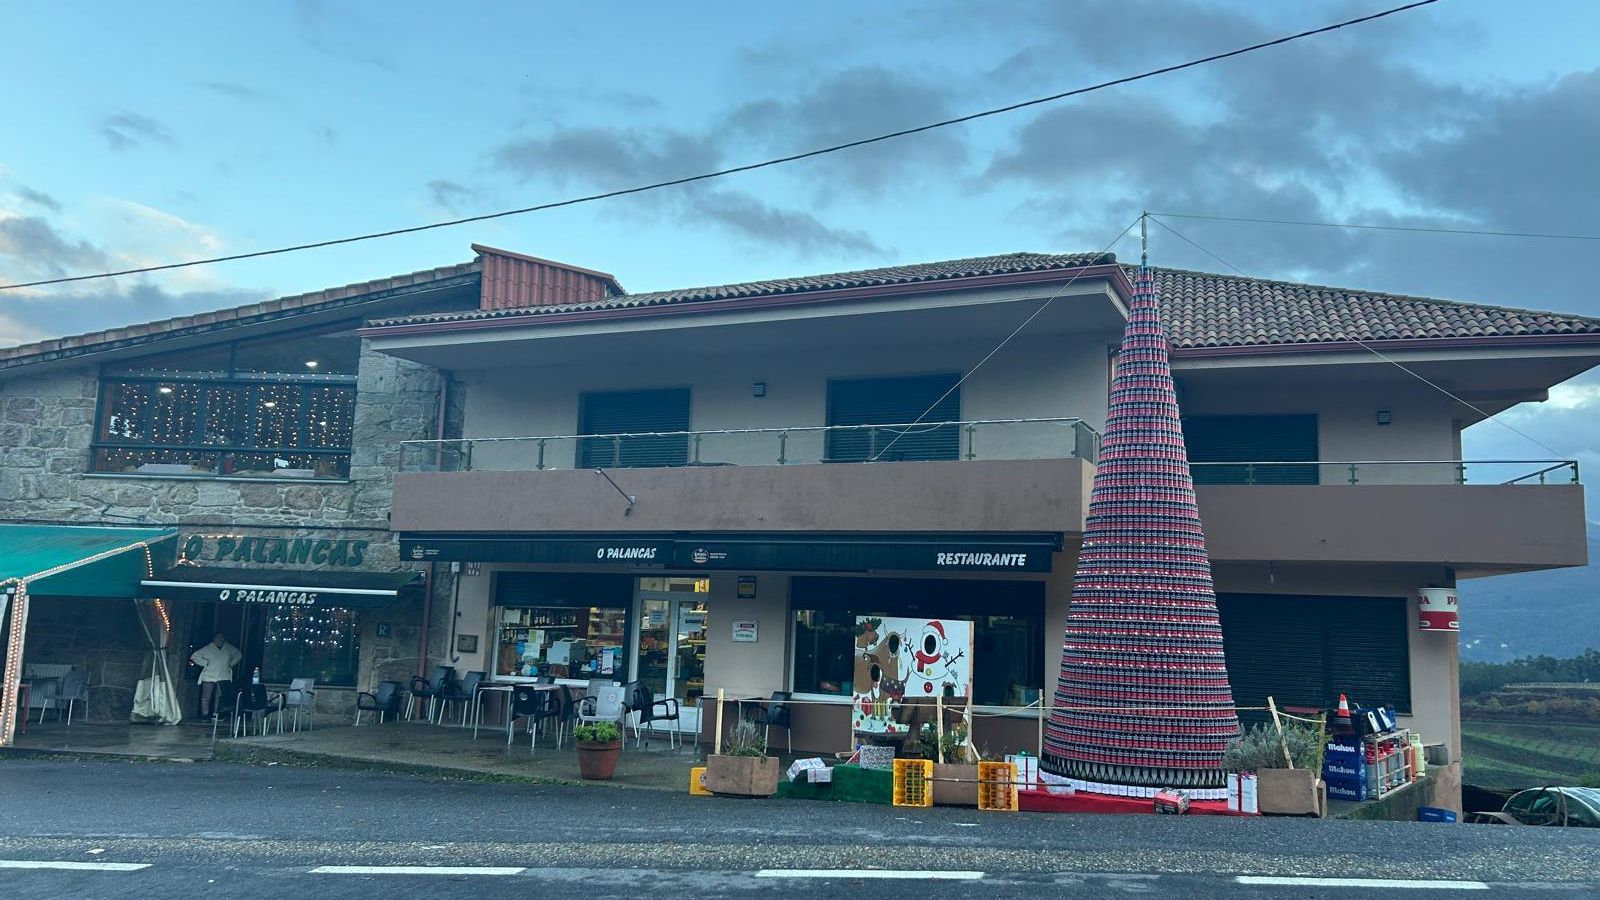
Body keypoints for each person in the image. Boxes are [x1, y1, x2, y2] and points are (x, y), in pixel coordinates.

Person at [190, 632, 242, 718]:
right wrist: (205, 663)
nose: (220, 639)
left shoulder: (229, 648)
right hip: (209, 675)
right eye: (218, 637)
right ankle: (205, 714)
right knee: (206, 696)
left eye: (222, 637)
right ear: (214, 639)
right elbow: (194, 656)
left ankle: (217, 713)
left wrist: (230, 664)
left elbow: (239, 655)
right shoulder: (208, 648)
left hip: (223, 675)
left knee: (220, 697)